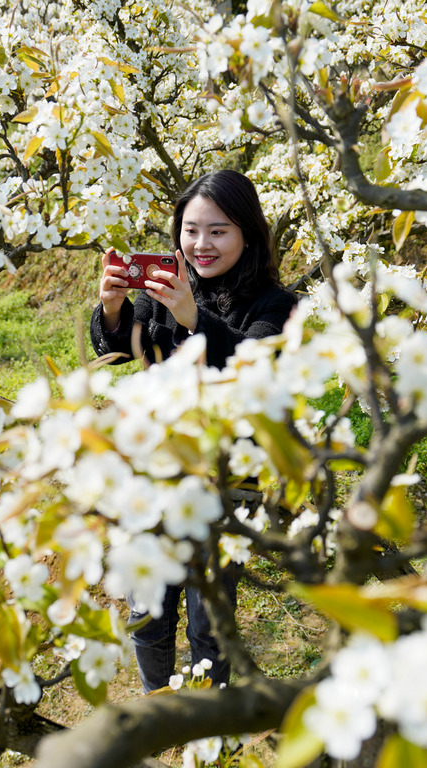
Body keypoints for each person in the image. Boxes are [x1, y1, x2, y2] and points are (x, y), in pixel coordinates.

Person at [89, 169, 297, 692]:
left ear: (248, 233)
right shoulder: (163, 285)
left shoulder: (277, 303)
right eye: (190, 229)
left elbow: (257, 367)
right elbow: (121, 348)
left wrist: (194, 319)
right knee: (148, 612)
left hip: (229, 477)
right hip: (155, 469)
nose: (201, 245)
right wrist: (112, 308)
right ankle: (157, 709)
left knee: (210, 623)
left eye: (218, 231)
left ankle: (208, 723)